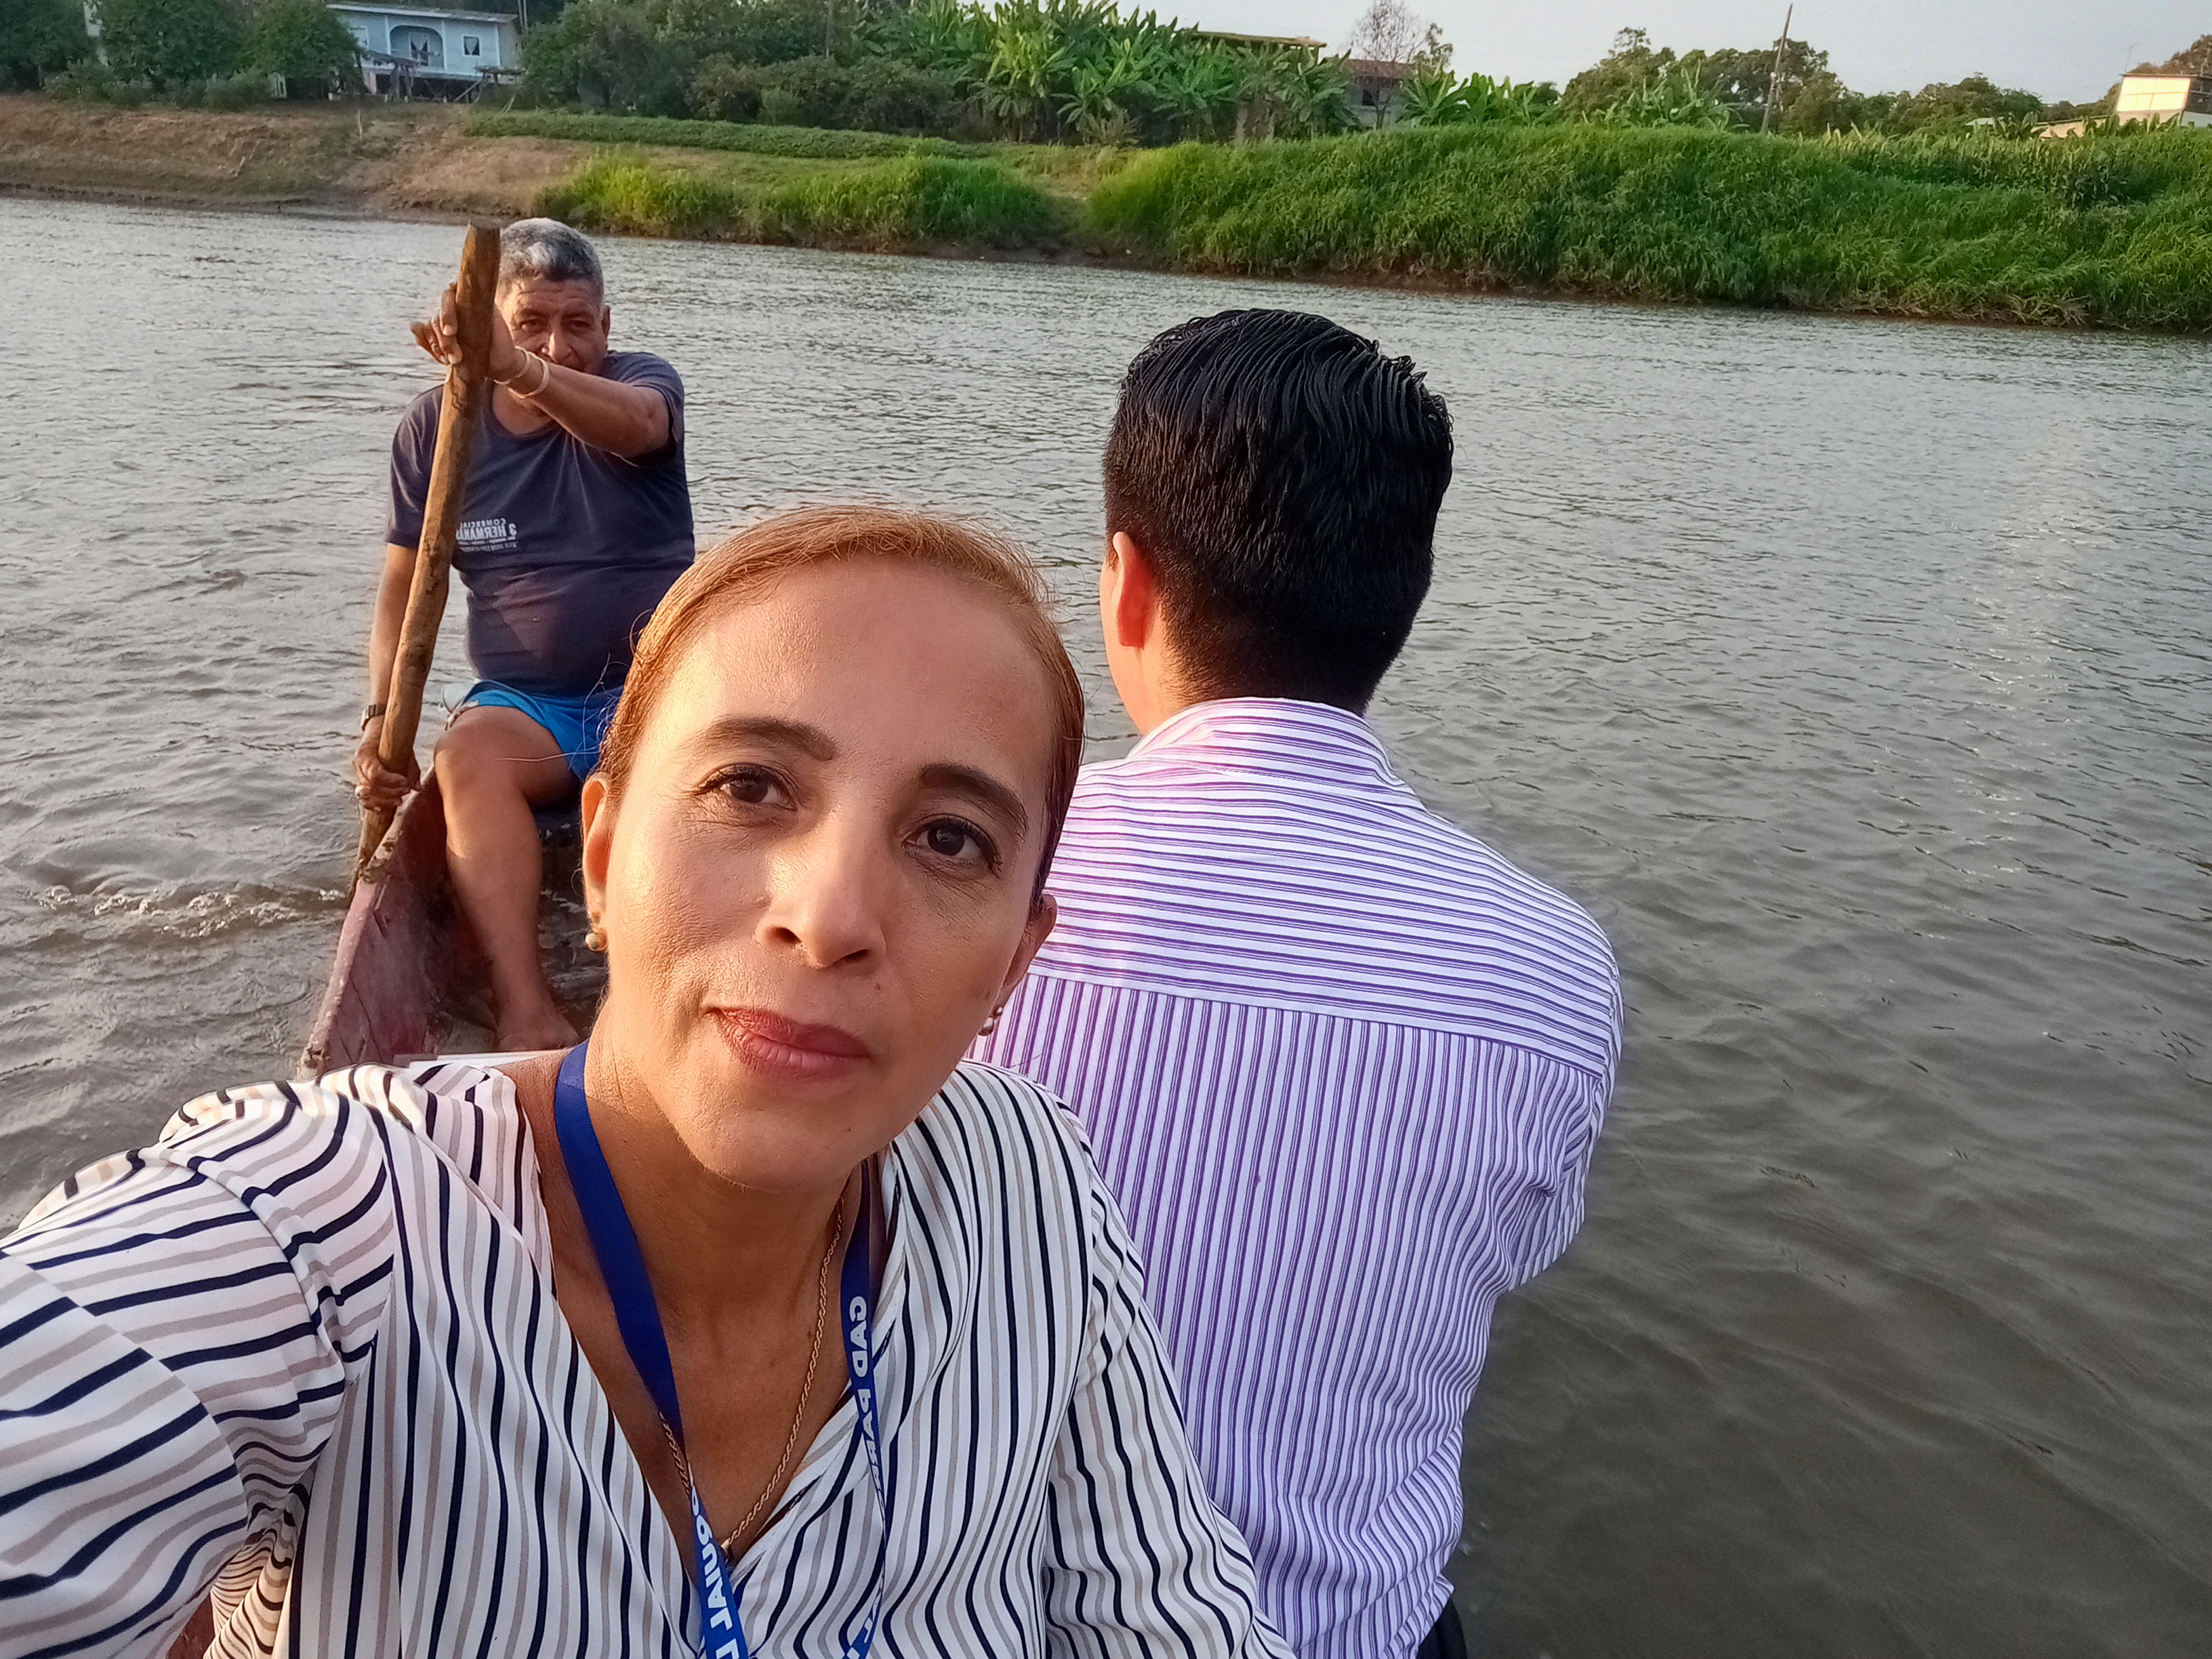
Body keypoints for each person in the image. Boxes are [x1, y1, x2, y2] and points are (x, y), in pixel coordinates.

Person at [1, 508, 1292, 1659]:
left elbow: (1172, 1615)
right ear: (603, 855)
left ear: (1015, 958)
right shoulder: (326, 1217)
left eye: (949, 837)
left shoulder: (1029, 1186)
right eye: (749, 785)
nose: (829, 916)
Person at [972, 310, 1623, 1659]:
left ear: (1125, 584)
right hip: (1367, 1630)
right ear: (1402, 601)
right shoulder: (1557, 964)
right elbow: (1511, 1250)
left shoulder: (971, 876)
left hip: (1006, 1623)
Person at [354, 217, 695, 1052]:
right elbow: (405, 583)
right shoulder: (436, 428)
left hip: (651, 692)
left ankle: (658, 990)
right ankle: (525, 1003)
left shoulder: (641, 384)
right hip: (530, 708)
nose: (559, 343)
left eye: (578, 323)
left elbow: (638, 425)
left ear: (606, 325)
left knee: (701, 768)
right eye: (531, 322)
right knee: (464, 756)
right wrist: (379, 719)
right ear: (491, 322)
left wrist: (517, 367)